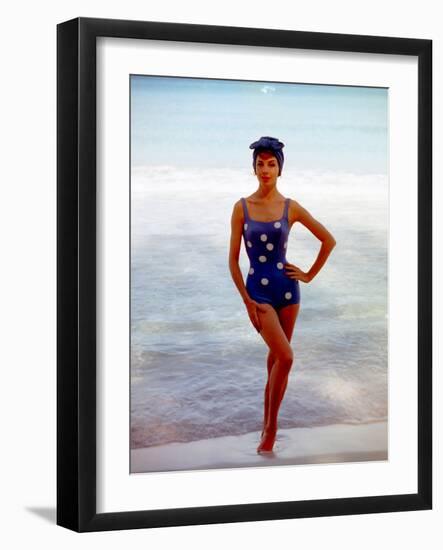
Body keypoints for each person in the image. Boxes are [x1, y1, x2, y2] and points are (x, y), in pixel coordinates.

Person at [229, 136, 336, 453]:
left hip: (289, 292)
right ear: (254, 168)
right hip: (258, 293)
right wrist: (246, 301)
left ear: (279, 169)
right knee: (287, 357)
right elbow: (233, 261)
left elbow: (328, 240)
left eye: (271, 164)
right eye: (260, 164)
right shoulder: (241, 207)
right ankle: (272, 430)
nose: (265, 169)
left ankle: (266, 424)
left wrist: (308, 275)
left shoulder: (291, 207)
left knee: (278, 360)